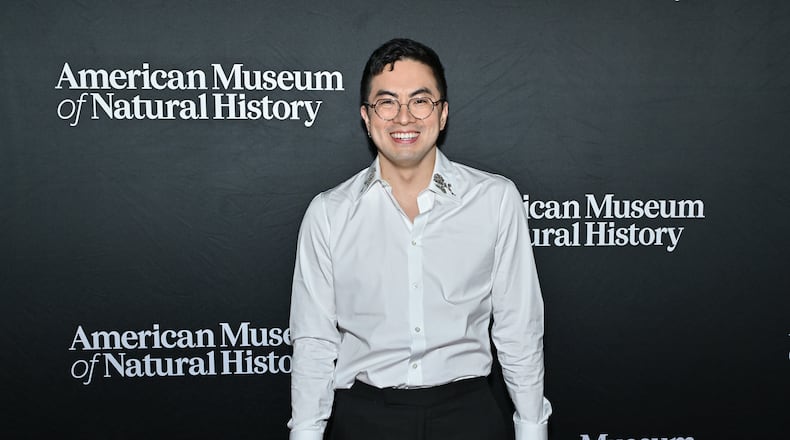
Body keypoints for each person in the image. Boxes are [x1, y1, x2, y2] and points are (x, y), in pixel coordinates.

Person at [287, 38, 551, 440]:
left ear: (442, 114)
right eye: (387, 102)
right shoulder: (329, 213)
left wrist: (532, 429)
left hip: (469, 417)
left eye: (421, 101)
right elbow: (314, 342)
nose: (404, 118)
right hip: (364, 419)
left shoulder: (495, 199)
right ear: (366, 116)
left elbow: (519, 327)